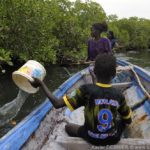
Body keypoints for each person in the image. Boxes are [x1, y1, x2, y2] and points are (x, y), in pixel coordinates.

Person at [30, 54, 132, 146]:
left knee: (68, 127)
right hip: (113, 138)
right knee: (123, 118)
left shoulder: (85, 90)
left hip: (90, 137)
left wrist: (41, 84)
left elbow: (57, 104)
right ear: (114, 74)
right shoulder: (119, 95)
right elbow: (128, 120)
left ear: (95, 72)